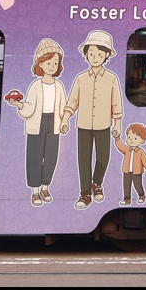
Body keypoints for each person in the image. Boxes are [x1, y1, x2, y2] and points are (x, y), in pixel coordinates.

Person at [60, 30, 124, 210]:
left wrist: (118, 123)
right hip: (83, 125)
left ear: (106, 56)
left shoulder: (112, 78)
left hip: (104, 124)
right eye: (92, 53)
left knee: (103, 157)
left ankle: (97, 182)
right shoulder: (80, 78)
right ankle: (85, 194)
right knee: (84, 160)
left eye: (100, 54)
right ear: (86, 54)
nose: (95, 57)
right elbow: (73, 100)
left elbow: (116, 102)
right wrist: (65, 119)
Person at [6, 38, 67, 207]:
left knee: (51, 157)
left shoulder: (59, 85)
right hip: (36, 123)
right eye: (48, 62)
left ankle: (45, 188)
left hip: (54, 123)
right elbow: (29, 108)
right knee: (34, 157)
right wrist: (18, 104)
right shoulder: (35, 86)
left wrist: (64, 121)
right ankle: (35, 191)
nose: (52, 66)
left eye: (55, 62)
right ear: (40, 63)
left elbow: (63, 106)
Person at [114, 123, 146, 206]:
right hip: (126, 171)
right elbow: (120, 146)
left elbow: (145, 160)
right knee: (126, 186)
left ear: (142, 140)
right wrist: (117, 138)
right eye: (129, 137)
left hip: (137, 172)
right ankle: (127, 199)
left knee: (137, 185)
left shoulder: (141, 152)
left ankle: (141, 195)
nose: (131, 140)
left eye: (135, 138)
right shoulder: (126, 149)